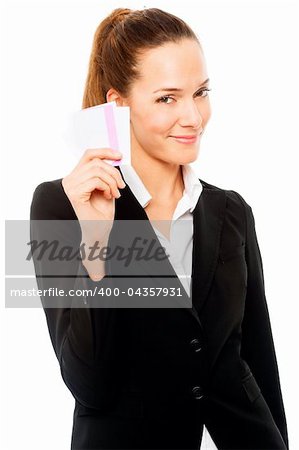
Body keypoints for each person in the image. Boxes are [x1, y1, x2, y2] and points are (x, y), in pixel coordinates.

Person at [30, 7, 289, 450]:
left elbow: (258, 359)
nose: (193, 117)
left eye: (201, 92)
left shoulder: (232, 211)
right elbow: (88, 383)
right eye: (167, 98)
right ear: (118, 104)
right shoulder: (59, 204)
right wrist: (98, 239)